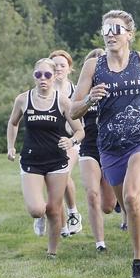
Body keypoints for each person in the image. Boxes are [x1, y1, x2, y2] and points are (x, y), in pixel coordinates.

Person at [70, 9, 140, 278]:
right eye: (106, 29)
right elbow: (72, 110)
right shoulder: (93, 67)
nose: (111, 34)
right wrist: (90, 99)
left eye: (117, 29)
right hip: (110, 147)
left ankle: (138, 265)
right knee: (131, 207)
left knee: (130, 196)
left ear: (129, 34)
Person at [7, 58, 85, 258]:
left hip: (57, 161)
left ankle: (52, 252)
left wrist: (71, 141)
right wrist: (11, 146)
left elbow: (79, 131)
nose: (43, 79)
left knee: (54, 209)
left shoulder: (63, 101)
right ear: (34, 76)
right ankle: (38, 217)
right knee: (37, 209)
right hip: (31, 160)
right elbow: (13, 123)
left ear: (54, 76)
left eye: (47, 75)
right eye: (38, 75)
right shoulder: (23, 99)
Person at [76, 48, 118, 252]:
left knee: (108, 206)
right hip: (89, 148)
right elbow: (72, 113)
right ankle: (100, 243)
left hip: (111, 148)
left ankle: (118, 203)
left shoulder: (116, 88)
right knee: (92, 193)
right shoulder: (84, 91)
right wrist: (89, 99)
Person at [49, 50, 83, 237]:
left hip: (73, 141)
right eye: (54, 66)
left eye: (62, 65)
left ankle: (73, 213)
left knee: (64, 173)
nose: (58, 69)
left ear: (70, 68)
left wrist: (72, 140)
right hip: (50, 142)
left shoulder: (77, 90)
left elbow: (81, 123)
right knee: (53, 182)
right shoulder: (45, 89)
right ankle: (61, 226)